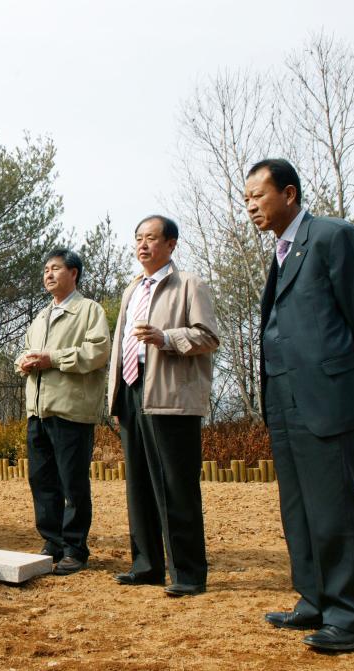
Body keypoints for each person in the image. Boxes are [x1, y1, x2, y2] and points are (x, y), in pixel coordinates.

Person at [246, 158, 354, 653]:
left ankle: (349, 617)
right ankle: (313, 600)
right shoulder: (281, 253)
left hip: (327, 395)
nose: (250, 208)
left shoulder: (332, 236)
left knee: (334, 509)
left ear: (288, 193)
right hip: (284, 398)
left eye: (257, 197)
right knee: (299, 506)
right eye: (245, 200)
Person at [106, 216, 219, 597]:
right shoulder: (131, 289)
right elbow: (121, 344)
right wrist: (116, 394)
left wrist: (165, 337)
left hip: (171, 398)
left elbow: (207, 337)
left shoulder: (189, 284)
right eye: (138, 238)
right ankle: (147, 565)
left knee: (175, 486)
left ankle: (187, 573)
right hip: (132, 392)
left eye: (151, 238)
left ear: (170, 244)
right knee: (138, 484)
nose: (143, 245)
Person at [16, 248, 110, 575]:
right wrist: (24, 362)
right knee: (41, 481)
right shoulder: (40, 317)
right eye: (45, 270)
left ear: (74, 273)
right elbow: (28, 351)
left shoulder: (89, 311)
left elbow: (96, 353)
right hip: (38, 412)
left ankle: (75, 548)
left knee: (73, 483)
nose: (48, 275)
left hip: (71, 411)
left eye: (55, 268)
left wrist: (51, 359)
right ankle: (52, 541)